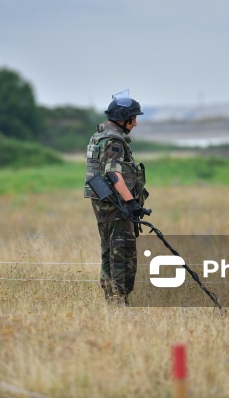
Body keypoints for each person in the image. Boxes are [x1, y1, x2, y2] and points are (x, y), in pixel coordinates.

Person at [84, 90, 149, 306]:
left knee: (109, 250)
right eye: (134, 117)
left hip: (104, 205)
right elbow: (114, 175)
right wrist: (131, 202)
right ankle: (119, 300)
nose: (136, 123)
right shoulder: (114, 142)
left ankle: (112, 299)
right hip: (116, 206)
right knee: (122, 252)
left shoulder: (99, 135)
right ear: (124, 118)